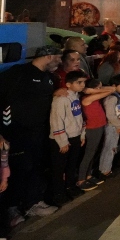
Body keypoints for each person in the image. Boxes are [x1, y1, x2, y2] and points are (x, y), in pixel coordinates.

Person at [0, 45, 63, 224]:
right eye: (58, 58)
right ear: (49, 56)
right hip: (17, 132)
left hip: (40, 131)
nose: (60, 62)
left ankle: (32, 203)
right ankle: (11, 209)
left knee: (35, 167)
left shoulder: (49, 78)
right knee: (18, 169)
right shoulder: (18, 73)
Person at [48, 70, 88, 206]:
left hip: (75, 136)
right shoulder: (61, 99)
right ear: (69, 84)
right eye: (79, 82)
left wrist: (81, 134)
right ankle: (58, 193)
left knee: (71, 165)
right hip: (62, 139)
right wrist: (62, 141)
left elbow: (79, 117)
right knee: (59, 168)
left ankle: (70, 187)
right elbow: (56, 121)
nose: (82, 85)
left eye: (84, 82)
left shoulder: (76, 97)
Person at [76, 79, 114, 192]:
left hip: (99, 126)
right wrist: (91, 91)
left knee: (93, 151)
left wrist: (93, 90)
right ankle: (81, 179)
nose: (100, 90)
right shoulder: (86, 99)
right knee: (89, 153)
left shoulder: (93, 96)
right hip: (92, 128)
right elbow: (111, 90)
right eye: (98, 87)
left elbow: (112, 89)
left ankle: (88, 175)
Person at [98, 75, 120, 179]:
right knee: (110, 148)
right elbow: (110, 114)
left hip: (114, 125)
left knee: (112, 147)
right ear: (113, 86)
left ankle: (106, 168)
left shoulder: (116, 96)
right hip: (112, 126)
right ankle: (105, 170)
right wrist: (119, 125)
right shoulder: (111, 97)